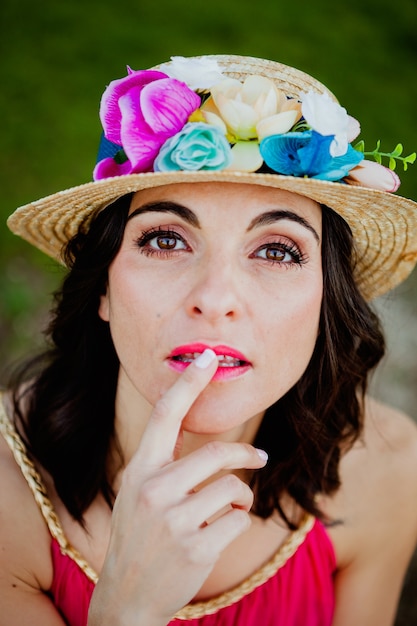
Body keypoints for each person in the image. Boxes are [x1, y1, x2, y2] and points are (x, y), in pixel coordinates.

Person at [1, 54, 417, 626]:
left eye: (277, 250)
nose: (215, 297)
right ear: (102, 287)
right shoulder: (6, 501)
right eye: (166, 240)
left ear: (327, 305)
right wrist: (126, 610)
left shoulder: (389, 468)